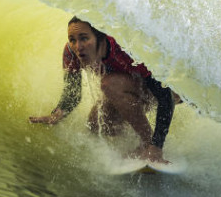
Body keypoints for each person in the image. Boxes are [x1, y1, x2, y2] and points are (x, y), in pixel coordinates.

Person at [29, 16, 176, 163]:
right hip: (126, 89)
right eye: (72, 39)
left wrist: (157, 145)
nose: (78, 46)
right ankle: (134, 135)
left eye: (84, 38)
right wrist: (57, 114)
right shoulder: (71, 52)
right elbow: (73, 93)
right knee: (95, 124)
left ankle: (147, 145)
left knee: (108, 84)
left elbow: (165, 95)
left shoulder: (125, 49)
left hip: (157, 91)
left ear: (100, 36)